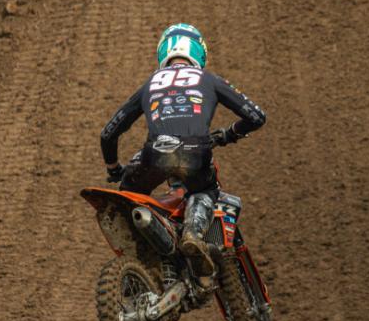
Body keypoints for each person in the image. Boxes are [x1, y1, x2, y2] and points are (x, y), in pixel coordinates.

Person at [100, 23, 266, 278]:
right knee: (205, 190)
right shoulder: (208, 79)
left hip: (155, 153)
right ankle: (193, 233)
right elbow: (256, 116)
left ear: (163, 52)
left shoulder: (151, 83)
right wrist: (229, 134)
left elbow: (108, 133)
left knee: (130, 194)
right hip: (196, 152)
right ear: (199, 52)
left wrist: (113, 169)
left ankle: (146, 252)